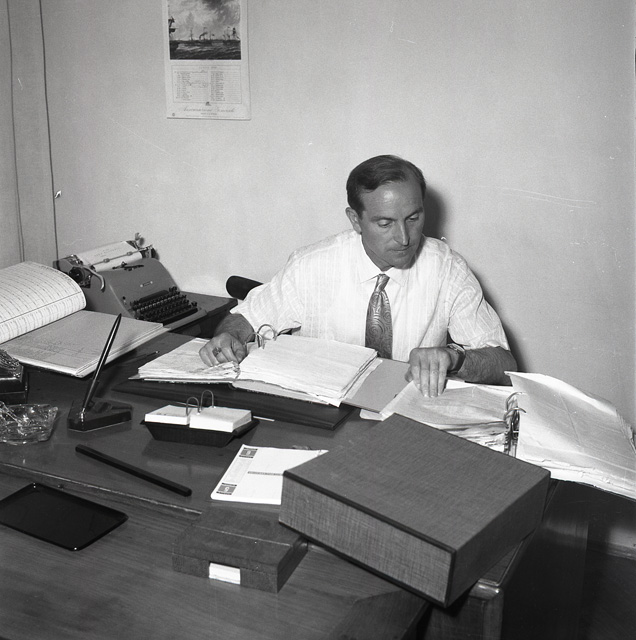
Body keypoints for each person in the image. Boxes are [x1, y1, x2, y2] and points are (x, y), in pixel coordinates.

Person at [200, 155, 516, 397]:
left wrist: (453, 358)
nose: (404, 237)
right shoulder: (311, 265)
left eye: (413, 218)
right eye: (385, 223)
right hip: (322, 408)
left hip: (405, 413)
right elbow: (244, 319)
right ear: (355, 220)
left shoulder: (447, 269)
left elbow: (504, 365)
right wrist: (229, 337)